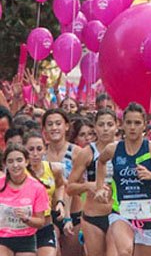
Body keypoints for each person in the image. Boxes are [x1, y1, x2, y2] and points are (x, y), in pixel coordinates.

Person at [94, 103, 151, 256]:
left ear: (144, 126)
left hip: (148, 213)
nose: (132, 127)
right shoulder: (113, 149)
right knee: (125, 251)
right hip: (121, 211)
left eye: (137, 123)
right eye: (129, 122)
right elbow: (100, 162)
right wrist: (99, 187)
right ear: (122, 125)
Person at [67, 109, 118, 256]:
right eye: (101, 124)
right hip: (93, 216)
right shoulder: (87, 153)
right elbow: (70, 188)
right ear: (95, 127)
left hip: (117, 213)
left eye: (110, 124)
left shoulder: (124, 150)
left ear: (116, 126)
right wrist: (89, 185)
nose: (106, 128)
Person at [41, 108, 83, 256]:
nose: (54, 128)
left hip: (74, 213)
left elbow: (82, 186)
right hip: (49, 214)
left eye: (58, 123)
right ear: (44, 129)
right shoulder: (41, 154)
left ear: (66, 126)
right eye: (50, 124)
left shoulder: (77, 152)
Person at [0, 144, 49, 256]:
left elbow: (41, 222)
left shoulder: (37, 188)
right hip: (2, 238)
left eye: (19, 160)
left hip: (26, 239)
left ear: (26, 162)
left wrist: (27, 219)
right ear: (5, 164)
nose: (15, 165)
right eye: (10, 161)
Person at [23, 131, 66, 256]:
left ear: (45, 150)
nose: (35, 154)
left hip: (46, 225)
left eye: (39, 149)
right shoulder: (19, 173)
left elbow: (60, 185)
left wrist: (59, 202)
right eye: (31, 149)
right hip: (24, 228)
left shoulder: (54, 169)